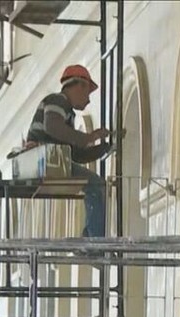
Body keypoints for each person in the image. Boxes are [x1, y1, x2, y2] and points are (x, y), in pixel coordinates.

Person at [25, 64, 119, 237]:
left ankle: (91, 238)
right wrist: (89, 137)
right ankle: (93, 241)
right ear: (79, 85)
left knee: (95, 185)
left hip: (50, 159)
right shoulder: (58, 101)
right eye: (87, 93)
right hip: (44, 159)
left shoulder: (66, 112)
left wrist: (104, 148)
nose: (88, 100)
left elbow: (75, 154)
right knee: (96, 186)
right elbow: (53, 127)